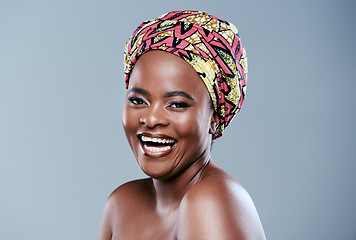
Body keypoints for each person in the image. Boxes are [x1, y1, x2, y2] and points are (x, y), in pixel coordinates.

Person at [98, 10, 266, 240]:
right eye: (138, 100)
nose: (151, 118)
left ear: (214, 118)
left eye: (176, 104)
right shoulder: (121, 203)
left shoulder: (211, 200)